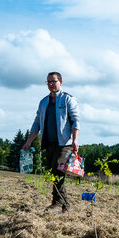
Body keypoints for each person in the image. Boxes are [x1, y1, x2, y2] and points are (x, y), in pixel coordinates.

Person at [22, 72, 80, 213]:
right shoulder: (43, 102)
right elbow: (37, 124)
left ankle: (57, 204)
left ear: (60, 82)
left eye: (53, 81)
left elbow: (75, 120)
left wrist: (75, 140)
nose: (51, 84)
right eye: (48, 82)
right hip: (49, 142)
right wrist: (29, 141)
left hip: (64, 143)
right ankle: (66, 206)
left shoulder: (68, 99)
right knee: (52, 172)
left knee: (57, 169)